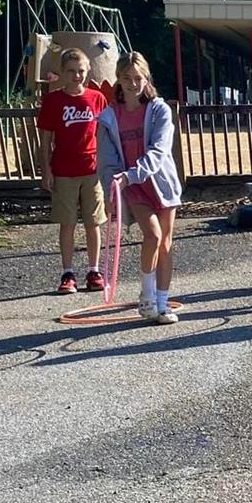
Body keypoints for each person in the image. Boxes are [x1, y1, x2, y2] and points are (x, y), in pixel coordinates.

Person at [97, 51, 182, 324]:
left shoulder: (159, 110)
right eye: (126, 78)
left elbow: (159, 152)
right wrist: (113, 187)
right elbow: (106, 160)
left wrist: (133, 174)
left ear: (147, 79)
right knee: (153, 236)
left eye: (138, 78)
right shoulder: (109, 117)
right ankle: (146, 294)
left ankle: (162, 303)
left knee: (166, 244)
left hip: (161, 184)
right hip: (132, 187)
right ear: (118, 80)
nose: (133, 83)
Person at [35, 47, 109, 294]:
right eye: (71, 71)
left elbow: (106, 135)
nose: (76, 76)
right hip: (64, 170)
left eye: (80, 71)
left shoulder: (97, 99)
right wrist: (46, 170)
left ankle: (94, 270)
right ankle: (67, 272)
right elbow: (45, 140)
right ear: (62, 73)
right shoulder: (53, 100)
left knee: (93, 222)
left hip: (92, 170)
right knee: (67, 223)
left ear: (88, 71)